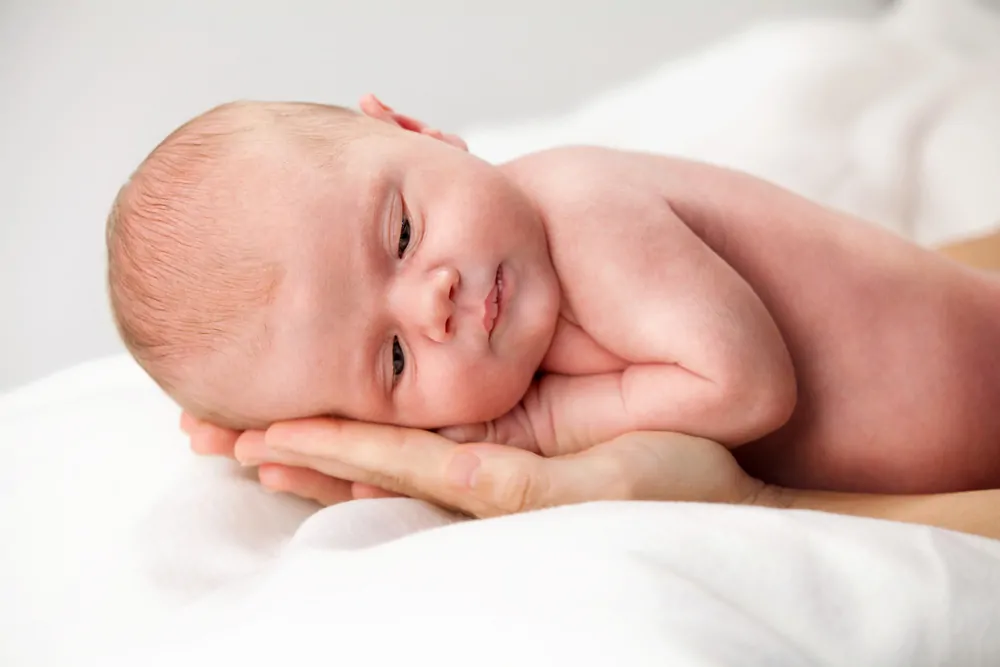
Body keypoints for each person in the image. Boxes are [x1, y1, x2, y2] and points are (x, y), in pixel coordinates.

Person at [109, 94, 1000, 500]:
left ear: (419, 131)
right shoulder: (523, 325)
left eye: (405, 234)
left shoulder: (578, 211)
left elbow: (748, 388)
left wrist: (532, 431)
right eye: (393, 358)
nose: (434, 303)